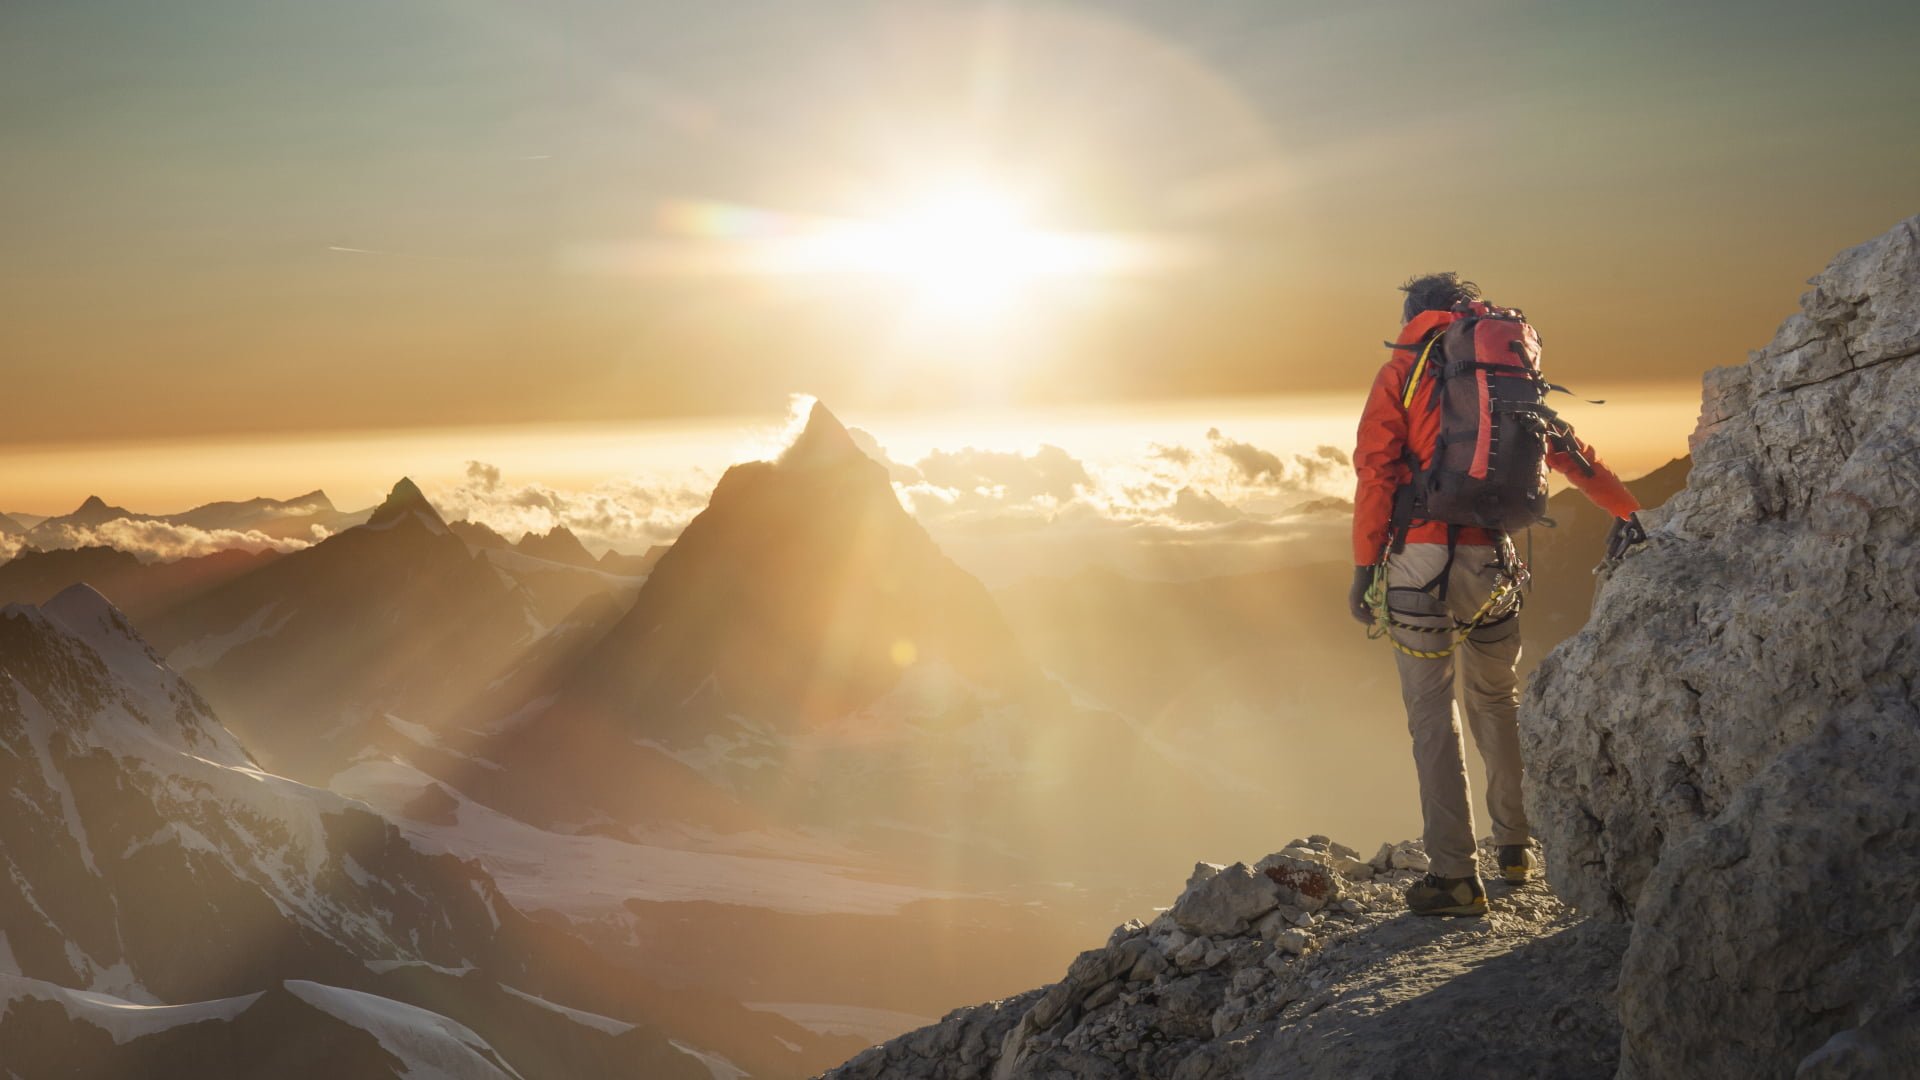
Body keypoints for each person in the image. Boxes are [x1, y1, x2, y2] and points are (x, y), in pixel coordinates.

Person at [1347, 273, 1643, 917]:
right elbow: (1564, 449)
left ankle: (1454, 877)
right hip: (1495, 560)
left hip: (1420, 560)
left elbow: (1376, 470)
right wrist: (1626, 508)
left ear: (1415, 314)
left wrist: (1365, 565)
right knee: (1495, 700)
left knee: (1432, 715)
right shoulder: (1508, 368)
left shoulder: (1404, 370)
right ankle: (1516, 845)